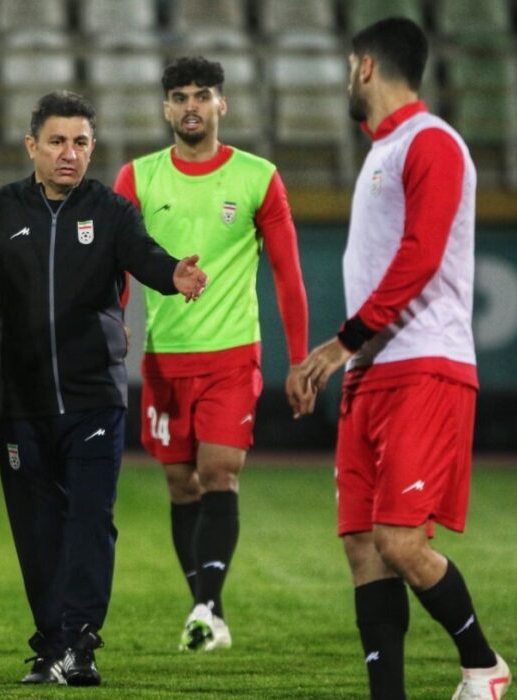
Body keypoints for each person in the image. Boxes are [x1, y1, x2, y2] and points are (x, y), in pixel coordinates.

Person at [296, 18, 510, 700]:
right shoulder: (383, 150)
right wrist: (351, 357)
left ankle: (483, 665)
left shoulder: (434, 143)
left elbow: (420, 256)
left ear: (364, 67)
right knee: (363, 547)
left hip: (425, 365)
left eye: (347, 69)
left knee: (400, 542)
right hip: (372, 375)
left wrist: (339, 344)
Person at [0, 91, 208, 687]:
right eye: (56, 141)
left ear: (91, 148)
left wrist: (172, 274)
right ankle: (51, 645)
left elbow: (145, 256)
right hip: (20, 403)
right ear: (32, 146)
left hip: (95, 397)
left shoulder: (112, 211)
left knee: (90, 519)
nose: (68, 154)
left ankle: (80, 641)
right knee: (37, 527)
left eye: (79, 142)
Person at [113, 56, 312, 651]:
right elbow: (120, 261)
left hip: (232, 355)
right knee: (180, 484)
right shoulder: (137, 177)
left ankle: (202, 606)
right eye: (180, 96)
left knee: (217, 471)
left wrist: (298, 358)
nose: (192, 106)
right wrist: (115, 322)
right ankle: (211, 612)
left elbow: (287, 273)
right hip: (165, 358)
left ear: (222, 104)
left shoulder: (257, 177)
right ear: (166, 108)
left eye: (203, 95)